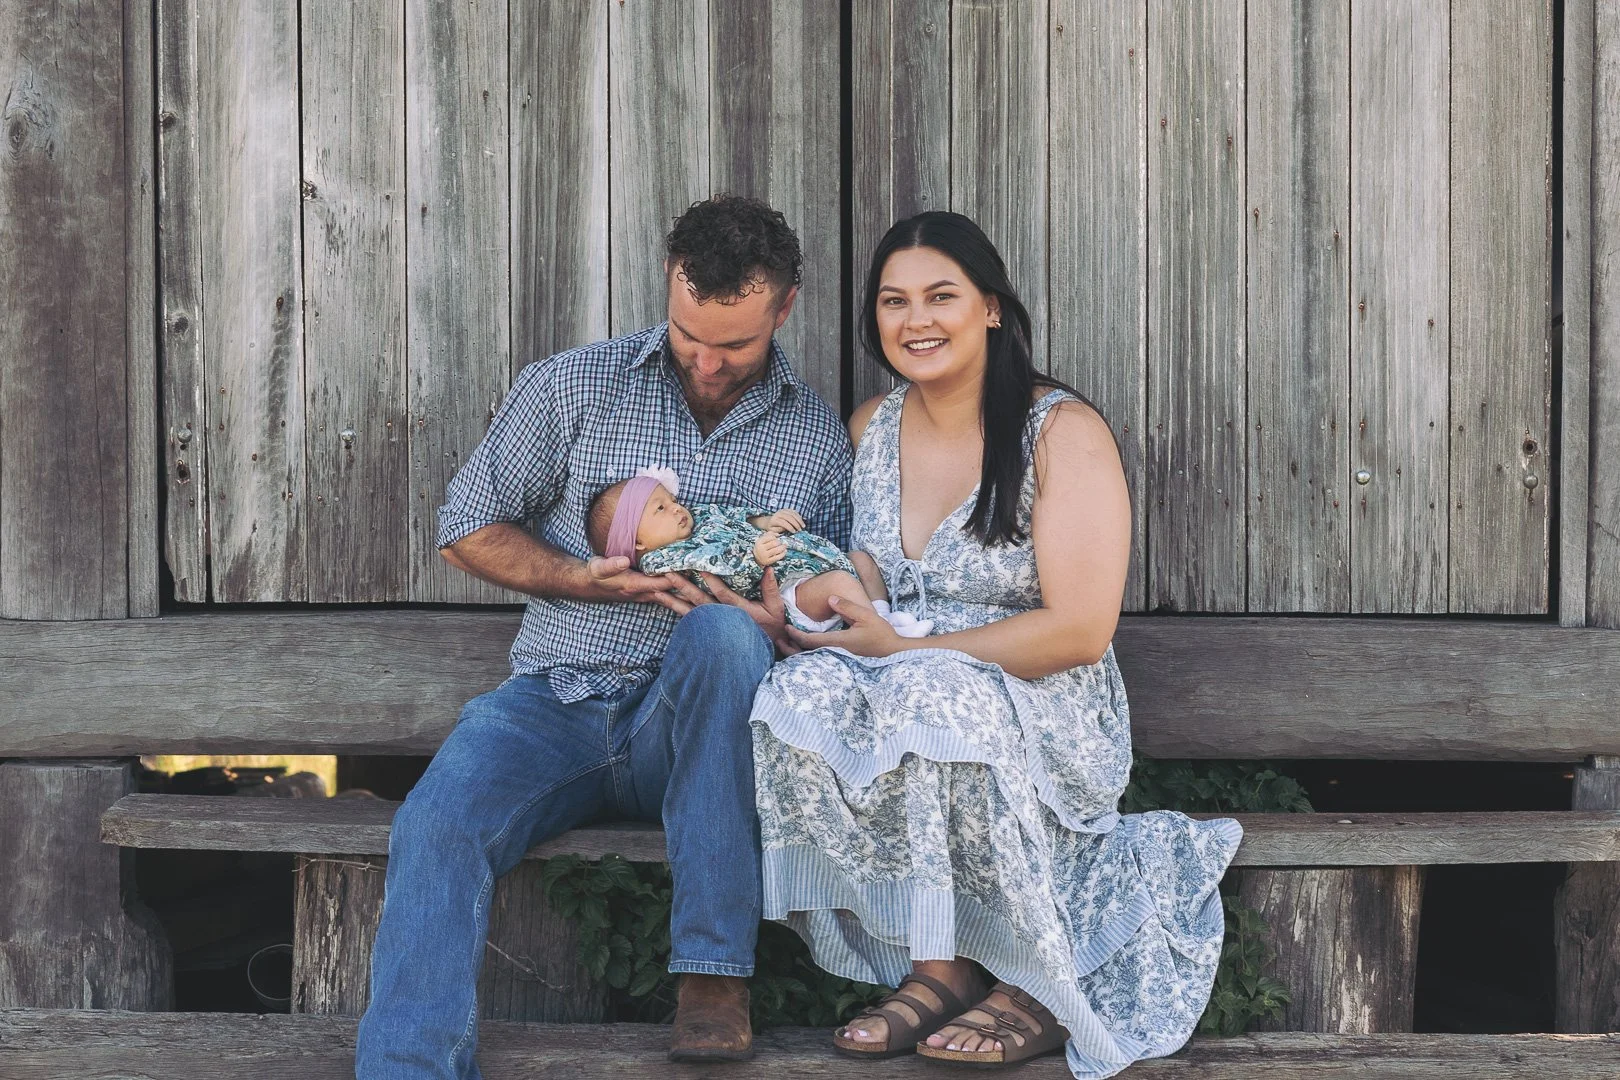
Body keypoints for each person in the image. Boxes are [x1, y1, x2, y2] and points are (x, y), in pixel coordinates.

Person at [354, 195, 853, 1077]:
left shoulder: (814, 438)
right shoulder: (573, 387)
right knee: (436, 822)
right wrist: (574, 575)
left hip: (698, 726)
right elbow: (466, 525)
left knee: (725, 640)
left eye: (733, 345)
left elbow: (835, 594)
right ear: (670, 285)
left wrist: (788, 626)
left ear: (785, 307)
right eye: (689, 332)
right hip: (557, 700)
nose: (705, 360)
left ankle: (712, 972)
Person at [748, 211, 1242, 1078]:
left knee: (937, 692)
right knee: (800, 693)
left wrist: (909, 657)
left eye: (942, 296)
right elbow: (872, 567)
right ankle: (936, 966)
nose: (917, 320)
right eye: (894, 302)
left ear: (991, 310)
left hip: (1040, 697)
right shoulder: (872, 428)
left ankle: (1035, 982)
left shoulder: (1060, 433)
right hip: (902, 674)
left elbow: (1082, 630)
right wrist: (828, 597)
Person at [585, 467, 927, 636]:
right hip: (785, 596)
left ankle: (883, 619)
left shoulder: (697, 518)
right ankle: (881, 635)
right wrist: (755, 558)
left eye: (672, 500)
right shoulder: (669, 560)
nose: (676, 508)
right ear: (638, 543)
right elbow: (718, 571)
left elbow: (731, 514)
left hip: (802, 565)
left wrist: (766, 520)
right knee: (839, 581)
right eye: (660, 509)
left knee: (861, 562)